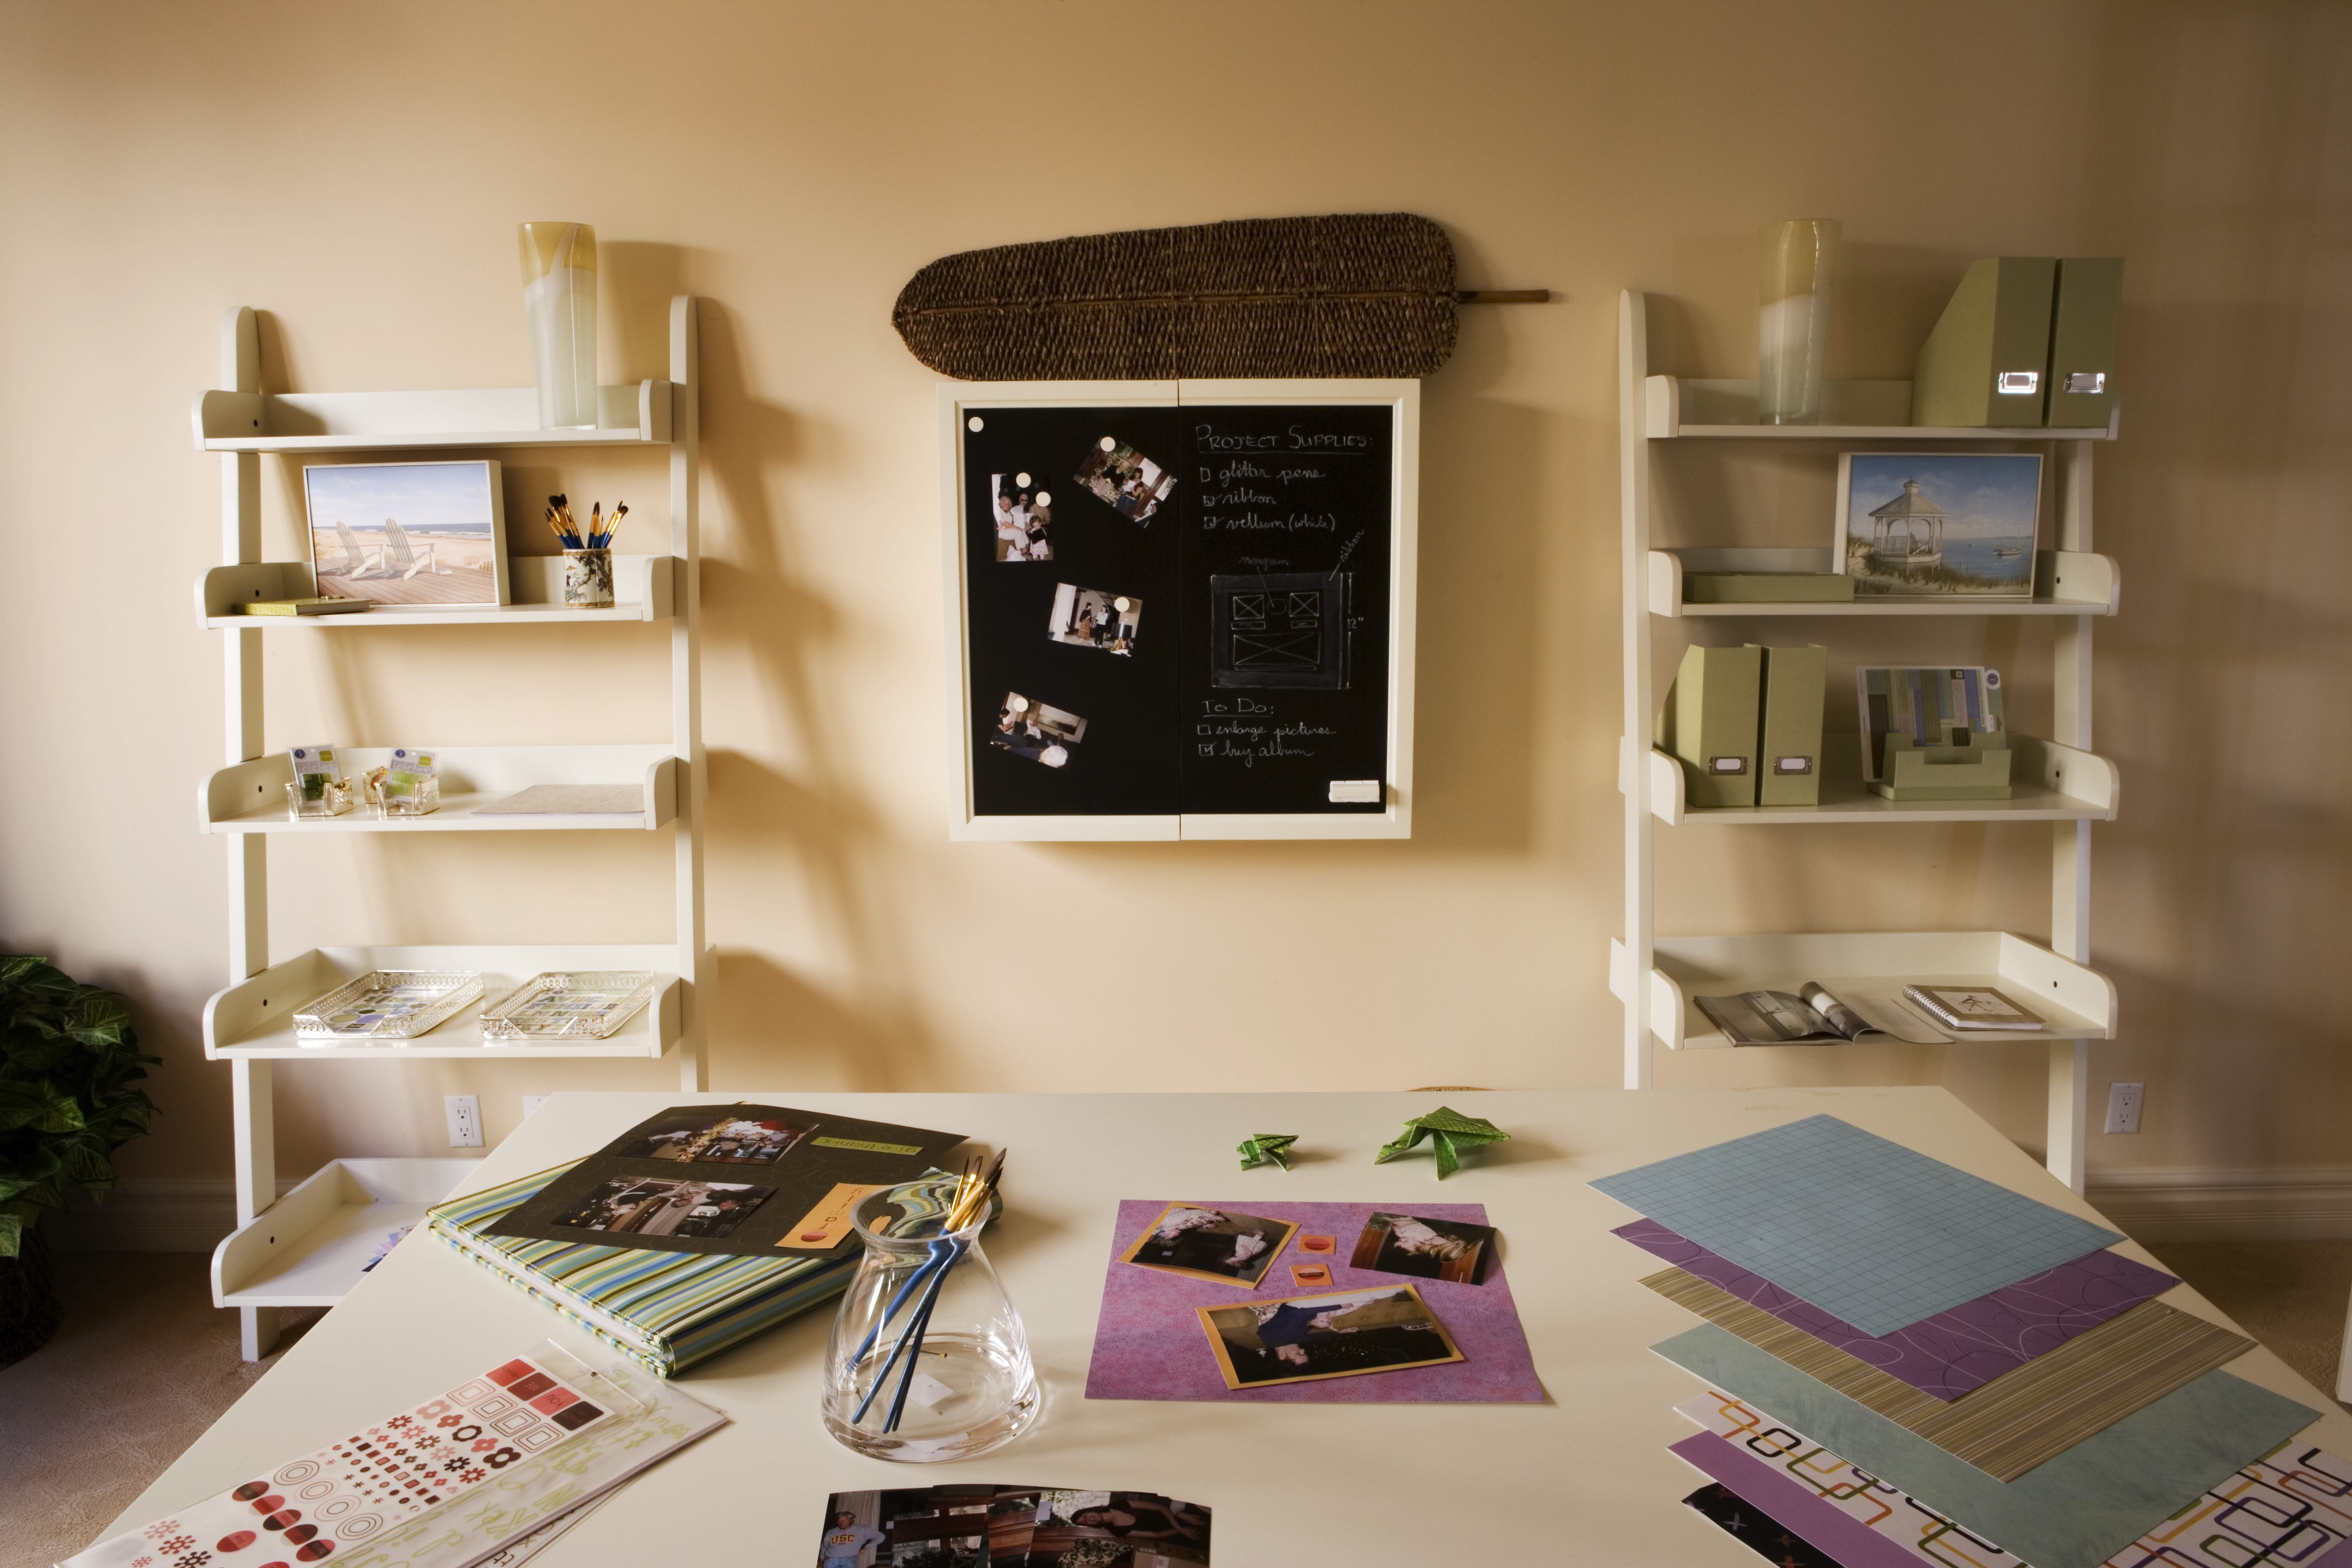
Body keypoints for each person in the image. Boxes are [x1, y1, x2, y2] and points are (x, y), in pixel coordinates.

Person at [818, 1510, 886, 1568]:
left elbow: (881, 1536)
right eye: (839, 1521)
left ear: (851, 1520)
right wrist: (822, 1558)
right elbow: (824, 1546)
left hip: (850, 1560)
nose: (841, 1523)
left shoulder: (861, 1529)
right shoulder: (831, 1532)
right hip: (831, 1560)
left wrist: (866, 1548)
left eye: (844, 1520)